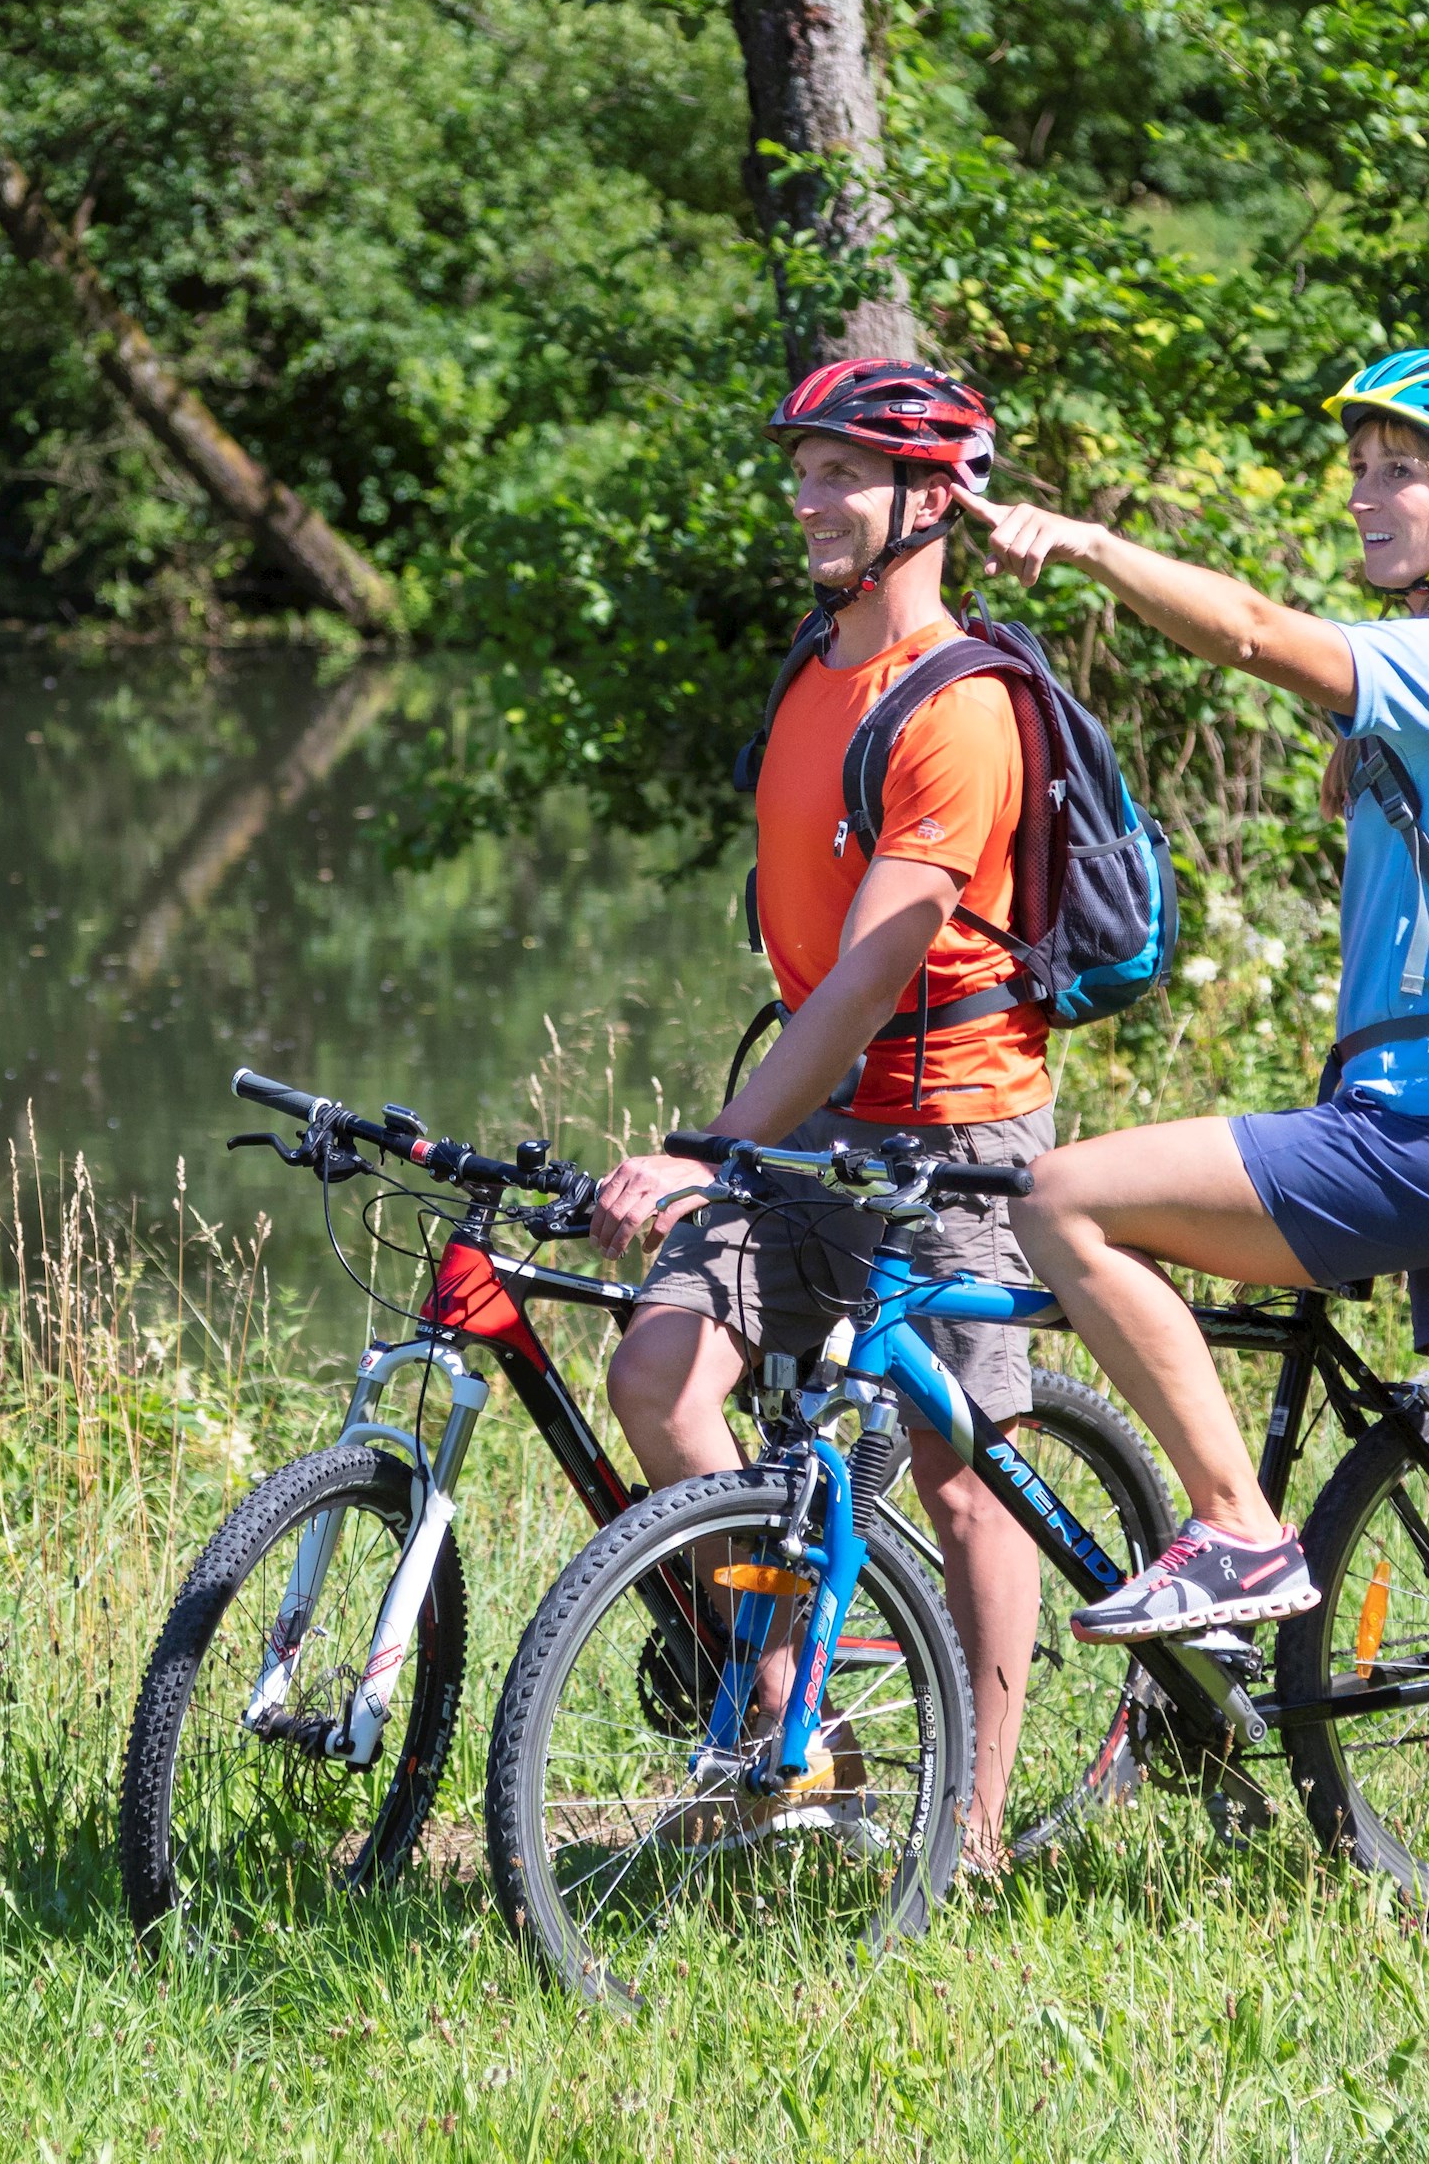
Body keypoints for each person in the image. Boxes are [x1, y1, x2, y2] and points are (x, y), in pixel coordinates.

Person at [951, 347, 1429, 1925]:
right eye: (1364, 464)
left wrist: (1088, 543)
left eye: (1402, 469)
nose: (1367, 495)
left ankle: (1239, 1527)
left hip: (1426, 1135)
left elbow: (1255, 633)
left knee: (1065, 1197)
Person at [584, 356, 1055, 1872]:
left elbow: (867, 979)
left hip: (948, 1134)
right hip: (810, 1125)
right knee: (659, 1372)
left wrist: (704, 1146)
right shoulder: (815, 666)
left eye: (844, 470)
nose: (809, 495)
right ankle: (812, 1731)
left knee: (959, 1465)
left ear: (932, 498)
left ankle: (971, 1828)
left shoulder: (964, 705)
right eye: (803, 466)